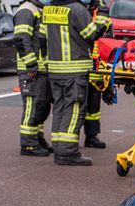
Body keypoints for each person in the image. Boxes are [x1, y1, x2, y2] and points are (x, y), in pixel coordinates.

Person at [40, 0, 111, 165]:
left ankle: (59, 148)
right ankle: (67, 153)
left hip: (55, 69)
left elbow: (42, 38)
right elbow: (92, 34)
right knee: (73, 110)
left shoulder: (49, 8)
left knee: (59, 108)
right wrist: (103, 15)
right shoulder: (77, 10)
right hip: (74, 69)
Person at [13, 0, 53, 157]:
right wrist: (31, 64)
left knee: (41, 106)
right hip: (30, 69)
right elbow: (21, 38)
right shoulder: (26, 10)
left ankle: (37, 138)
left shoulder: (39, 9)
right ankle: (28, 144)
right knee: (32, 105)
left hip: (41, 68)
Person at [82, 0, 108, 149]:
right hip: (82, 62)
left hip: (98, 64)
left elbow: (107, 36)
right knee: (80, 104)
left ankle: (91, 136)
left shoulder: (101, 9)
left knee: (94, 104)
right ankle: (71, 138)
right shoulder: (78, 8)